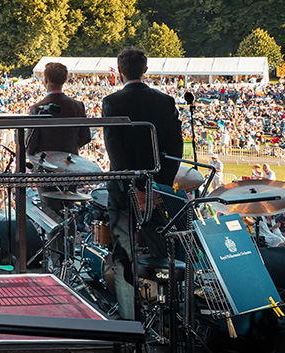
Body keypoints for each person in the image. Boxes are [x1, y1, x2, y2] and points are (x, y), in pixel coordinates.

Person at [102, 48, 183, 320]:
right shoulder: (165, 101)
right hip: (156, 187)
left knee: (123, 253)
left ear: (119, 71)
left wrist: (135, 187)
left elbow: (115, 151)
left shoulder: (112, 102)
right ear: (145, 70)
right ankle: (168, 316)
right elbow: (175, 149)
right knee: (162, 251)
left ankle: (129, 319)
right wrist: (157, 187)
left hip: (123, 190)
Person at [26, 62, 92, 216]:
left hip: (45, 168)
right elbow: (86, 137)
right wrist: (68, 150)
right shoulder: (77, 106)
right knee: (68, 211)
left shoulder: (38, 108)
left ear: (45, 80)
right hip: (71, 165)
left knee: (50, 215)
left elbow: (30, 145)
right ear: (65, 80)